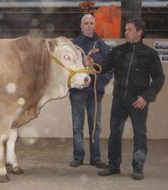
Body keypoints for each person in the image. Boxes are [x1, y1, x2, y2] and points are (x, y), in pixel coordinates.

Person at [86, 19, 165, 180]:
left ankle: (138, 167)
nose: (125, 32)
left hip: (138, 101)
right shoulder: (118, 51)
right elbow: (102, 68)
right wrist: (91, 64)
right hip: (119, 100)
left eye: (129, 29)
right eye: (126, 29)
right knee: (115, 133)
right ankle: (113, 165)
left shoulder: (149, 53)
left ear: (139, 32)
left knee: (139, 134)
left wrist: (146, 97)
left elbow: (159, 78)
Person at [69, 14, 112, 168]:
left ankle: (95, 158)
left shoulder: (101, 45)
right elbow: (67, 67)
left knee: (95, 127)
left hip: (95, 93)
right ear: (81, 26)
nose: (88, 25)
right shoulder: (73, 45)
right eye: (85, 23)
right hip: (77, 92)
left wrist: (97, 73)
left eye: (91, 23)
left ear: (95, 25)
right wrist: (82, 62)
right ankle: (78, 157)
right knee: (77, 125)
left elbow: (109, 68)